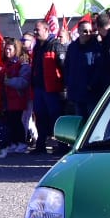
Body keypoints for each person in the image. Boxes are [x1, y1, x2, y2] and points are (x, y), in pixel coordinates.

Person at [27, 21, 64, 154]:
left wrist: (63, 88)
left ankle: (62, 145)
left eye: (38, 30)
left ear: (46, 30)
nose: (35, 33)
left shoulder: (55, 45)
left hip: (52, 89)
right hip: (39, 88)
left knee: (55, 118)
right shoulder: (37, 47)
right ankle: (40, 145)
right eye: (35, 30)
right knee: (40, 117)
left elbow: (63, 67)